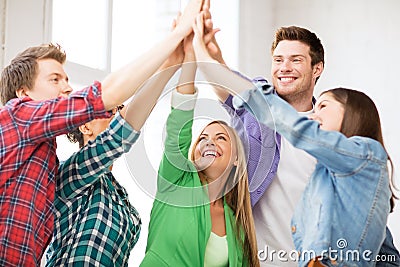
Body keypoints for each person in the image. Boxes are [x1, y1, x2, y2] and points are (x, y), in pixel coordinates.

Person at [0, 0, 203, 265]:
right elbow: (108, 105)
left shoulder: (49, 171)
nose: (67, 87)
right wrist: (175, 37)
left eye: (67, 79)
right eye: (55, 79)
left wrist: (170, 65)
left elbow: (123, 130)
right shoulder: (17, 117)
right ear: (23, 93)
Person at [199, 3, 399, 265]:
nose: (284, 67)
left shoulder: (335, 141)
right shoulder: (257, 112)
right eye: (278, 60)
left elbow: (363, 221)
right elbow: (232, 92)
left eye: (296, 60)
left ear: (317, 69)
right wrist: (212, 57)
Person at [44, 17, 190, 265]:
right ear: (85, 125)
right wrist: (168, 63)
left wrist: (174, 64)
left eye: (117, 110)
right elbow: (120, 133)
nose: (117, 117)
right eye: (109, 112)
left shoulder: (122, 199)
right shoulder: (71, 175)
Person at [140, 29, 259, 267]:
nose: (210, 142)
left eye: (221, 138)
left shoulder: (237, 225)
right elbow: (178, 128)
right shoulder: (177, 183)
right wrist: (191, 56)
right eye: (203, 137)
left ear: (237, 158)